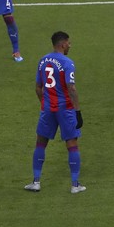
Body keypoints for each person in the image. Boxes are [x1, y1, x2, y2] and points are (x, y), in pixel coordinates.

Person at [24, 31, 85, 194]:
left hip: (48, 109)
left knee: (40, 143)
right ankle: (75, 185)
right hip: (65, 109)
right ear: (63, 44)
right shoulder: (67, 62)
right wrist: (78, 111)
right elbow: (71, 88)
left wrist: (44, 104)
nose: (70, 46)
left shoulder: (43, 61)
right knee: (72, 145)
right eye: (69, 43)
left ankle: (36, 182)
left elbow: (38, 87)